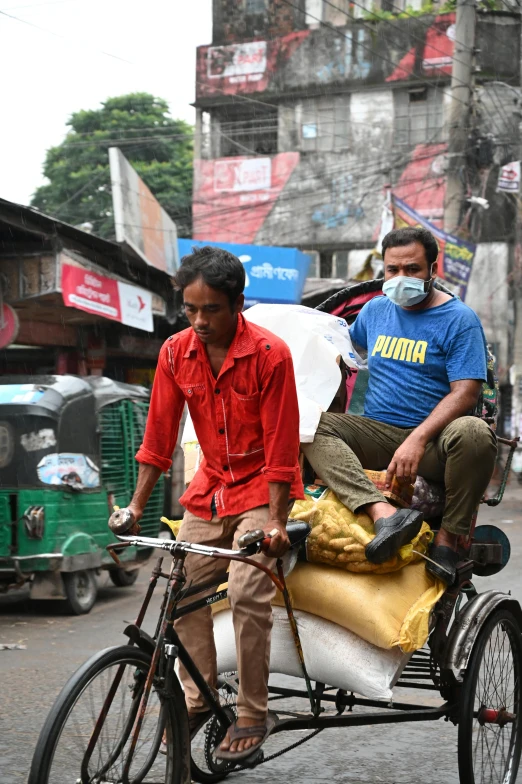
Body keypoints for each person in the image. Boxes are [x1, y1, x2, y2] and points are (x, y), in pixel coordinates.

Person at [128, 246, 303, 761]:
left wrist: (276, 522)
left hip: (260, 492)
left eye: (212, 310)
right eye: (191, 310)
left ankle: (253, 711)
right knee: (179, 588)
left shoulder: (271, 355)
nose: (200, 321)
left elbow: (282, 447)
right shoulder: (174, 352)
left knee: (249, 590)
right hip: (209, 490)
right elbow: (158, 439)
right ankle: (198, 695)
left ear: (239, 304)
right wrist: (136, 508)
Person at [301, 227, 497, 584]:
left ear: (432, 270)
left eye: (412, 269)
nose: (400, 278)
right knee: (309, 424)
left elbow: (466, 393)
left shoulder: (460, 320)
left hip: (436, 445)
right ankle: (383, 514)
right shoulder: (375, 311)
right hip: (378, 433)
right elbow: (339, 350)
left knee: (475, 431)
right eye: (393, 270)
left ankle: (449, 539)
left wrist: (418, 439)